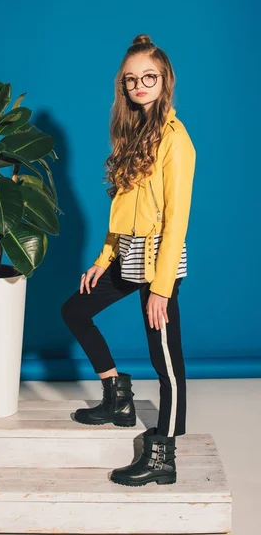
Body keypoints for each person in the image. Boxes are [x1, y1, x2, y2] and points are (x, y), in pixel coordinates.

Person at [61, 33, 196, 487]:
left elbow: (176, 219)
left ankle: (164, 455)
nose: (140, 85)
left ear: (165, 81)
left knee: (166, 360)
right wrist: (104, 257)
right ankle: (117, 395)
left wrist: (161, 288)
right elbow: (122, 208)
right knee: (75, 310)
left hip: (159, 258)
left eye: (149, 78)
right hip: (129, 252)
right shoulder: (132, 133)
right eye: (131, 79)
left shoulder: (177, 141)